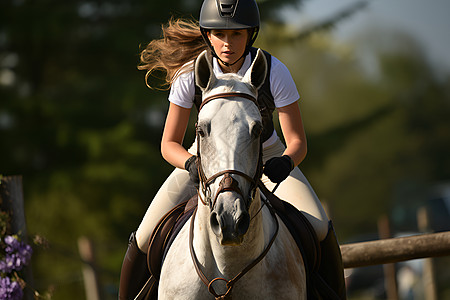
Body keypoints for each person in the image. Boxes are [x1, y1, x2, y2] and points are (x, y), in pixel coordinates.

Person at [119, 0, 346, 299]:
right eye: (220, 34)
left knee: (318, 227)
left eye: (237, 34)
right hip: (203, 160)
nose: (228, 44)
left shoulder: (274, 71)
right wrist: (191, 164)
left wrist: (286, 163)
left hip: (267, 157)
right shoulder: (191, 75)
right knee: (146, 236)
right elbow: (168, 144)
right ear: (207, 36)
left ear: (251, 34)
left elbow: (298, 142)